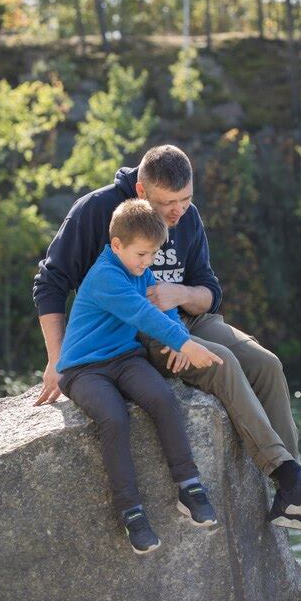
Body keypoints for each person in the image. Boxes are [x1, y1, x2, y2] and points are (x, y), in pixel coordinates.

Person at [34, 144, 301, 537]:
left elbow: (209, 291)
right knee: (221, 362)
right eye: (167, 203)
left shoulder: (189, 217)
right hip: (134, 332)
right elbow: (50, 283)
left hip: (187, 316)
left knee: (267, 364)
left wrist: (179, 295)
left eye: (185, 200)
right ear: (140, 190)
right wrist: (57, 358)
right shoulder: (96, 211)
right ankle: (288, 475)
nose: (178, 212)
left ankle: (294, 495)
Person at [57, 199, 222, 554]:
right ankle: (131, 510)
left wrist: (178, 335)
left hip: (124, 357)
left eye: (152, 255)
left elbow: (162, 308)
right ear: (117, 245)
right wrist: (185, 342)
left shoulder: (140, 271)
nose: (147, 264)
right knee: (113, 416)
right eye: (142, 255)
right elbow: (141, 314)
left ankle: (189, 485)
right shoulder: (105, 276)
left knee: (161, 397)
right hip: (83, 368)